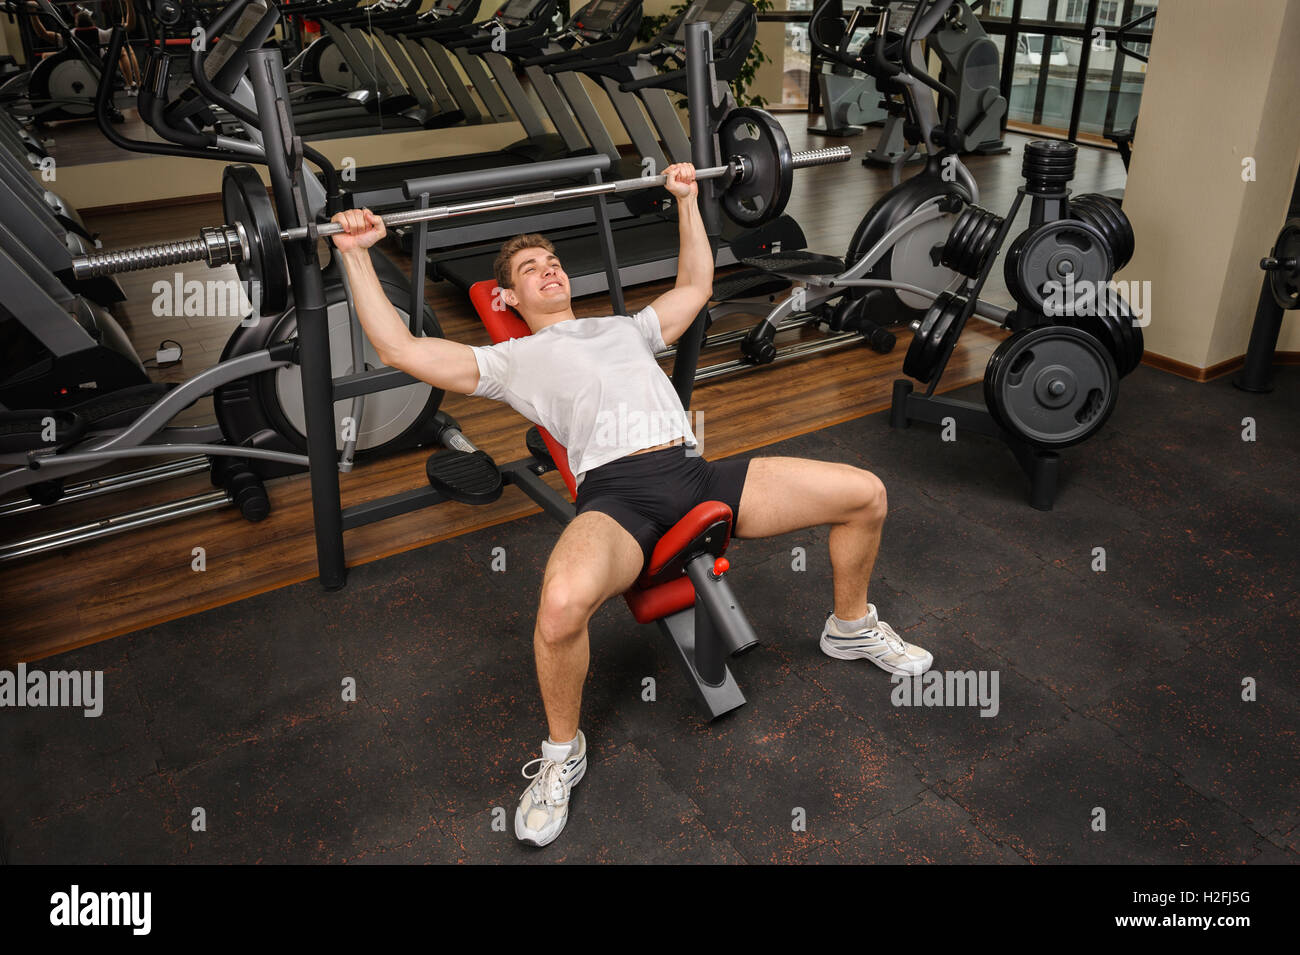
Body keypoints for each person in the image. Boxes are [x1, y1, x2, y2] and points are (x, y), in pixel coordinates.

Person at [329, 163, 934, 849]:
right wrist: (355, 254)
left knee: (865, 494)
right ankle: (562, 752)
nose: (549, 271)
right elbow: (399, 347)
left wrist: (687, 199)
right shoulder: (511, 361)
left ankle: (849, 625)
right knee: (559, 605)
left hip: (694, 470)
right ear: (505, 296)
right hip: (619, 501)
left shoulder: (627, 328)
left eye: (553, 261)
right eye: (530, 268)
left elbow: (697, 286)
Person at [27, 2, 141, 92]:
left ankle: (46, 86)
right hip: (96, 64)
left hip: (76, 64)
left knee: (45, 55)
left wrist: (32, 12)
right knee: (124, 50)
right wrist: (129, 4)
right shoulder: (102, 34)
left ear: (76, 22)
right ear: (92, 21)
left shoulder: (69, 36)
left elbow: (42, 33)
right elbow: (130, 26)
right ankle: (132, 84)